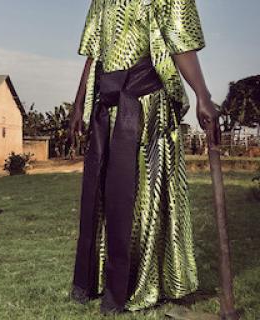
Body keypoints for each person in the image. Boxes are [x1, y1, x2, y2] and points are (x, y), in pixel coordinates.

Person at [68, 0, 222, 314]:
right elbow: (95, 48)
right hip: (107, 104)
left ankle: (143, 282)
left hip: (147, 103)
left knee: (143, 195)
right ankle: (105, 280)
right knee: (106, 196)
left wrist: (202, 94)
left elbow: (181, 42)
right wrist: (79, 99)